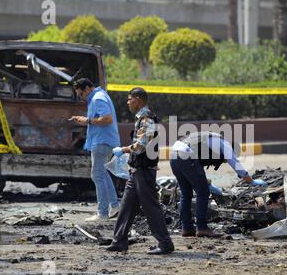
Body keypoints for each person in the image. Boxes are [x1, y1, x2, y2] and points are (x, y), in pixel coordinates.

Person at [106, 87, 174, 255]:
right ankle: (119, 241)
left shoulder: (147, 119)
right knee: (126, 206)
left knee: (151, 206)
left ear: (138, 99)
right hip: (137, 170)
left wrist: (123, 149)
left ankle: (165, 244)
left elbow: (141, 145)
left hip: (144, 171)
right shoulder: (141, 118)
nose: (128, 102)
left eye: (130, 99)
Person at [170, 131, 267, 237]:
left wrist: (206, 182)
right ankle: (202, 228)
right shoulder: (224, 144)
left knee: (186, 193)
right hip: (186, 155)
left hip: (174, 155)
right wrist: (250, 181)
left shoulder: (207, 140)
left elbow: (196, 167)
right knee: (203, 192)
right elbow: (235, 164)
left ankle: (187, 228)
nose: (224, 161)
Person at [70, 78, 120, 222]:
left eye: (80, 94)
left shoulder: (97, 98)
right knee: (102, 174)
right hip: (104, 141)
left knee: (97, 175)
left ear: (86, 89)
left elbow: (107, 119)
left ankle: (102, 213)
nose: (81, 97)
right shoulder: (100, 96)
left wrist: (88, 121)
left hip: (102, 141)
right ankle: (114, 206)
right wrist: (86, 119)